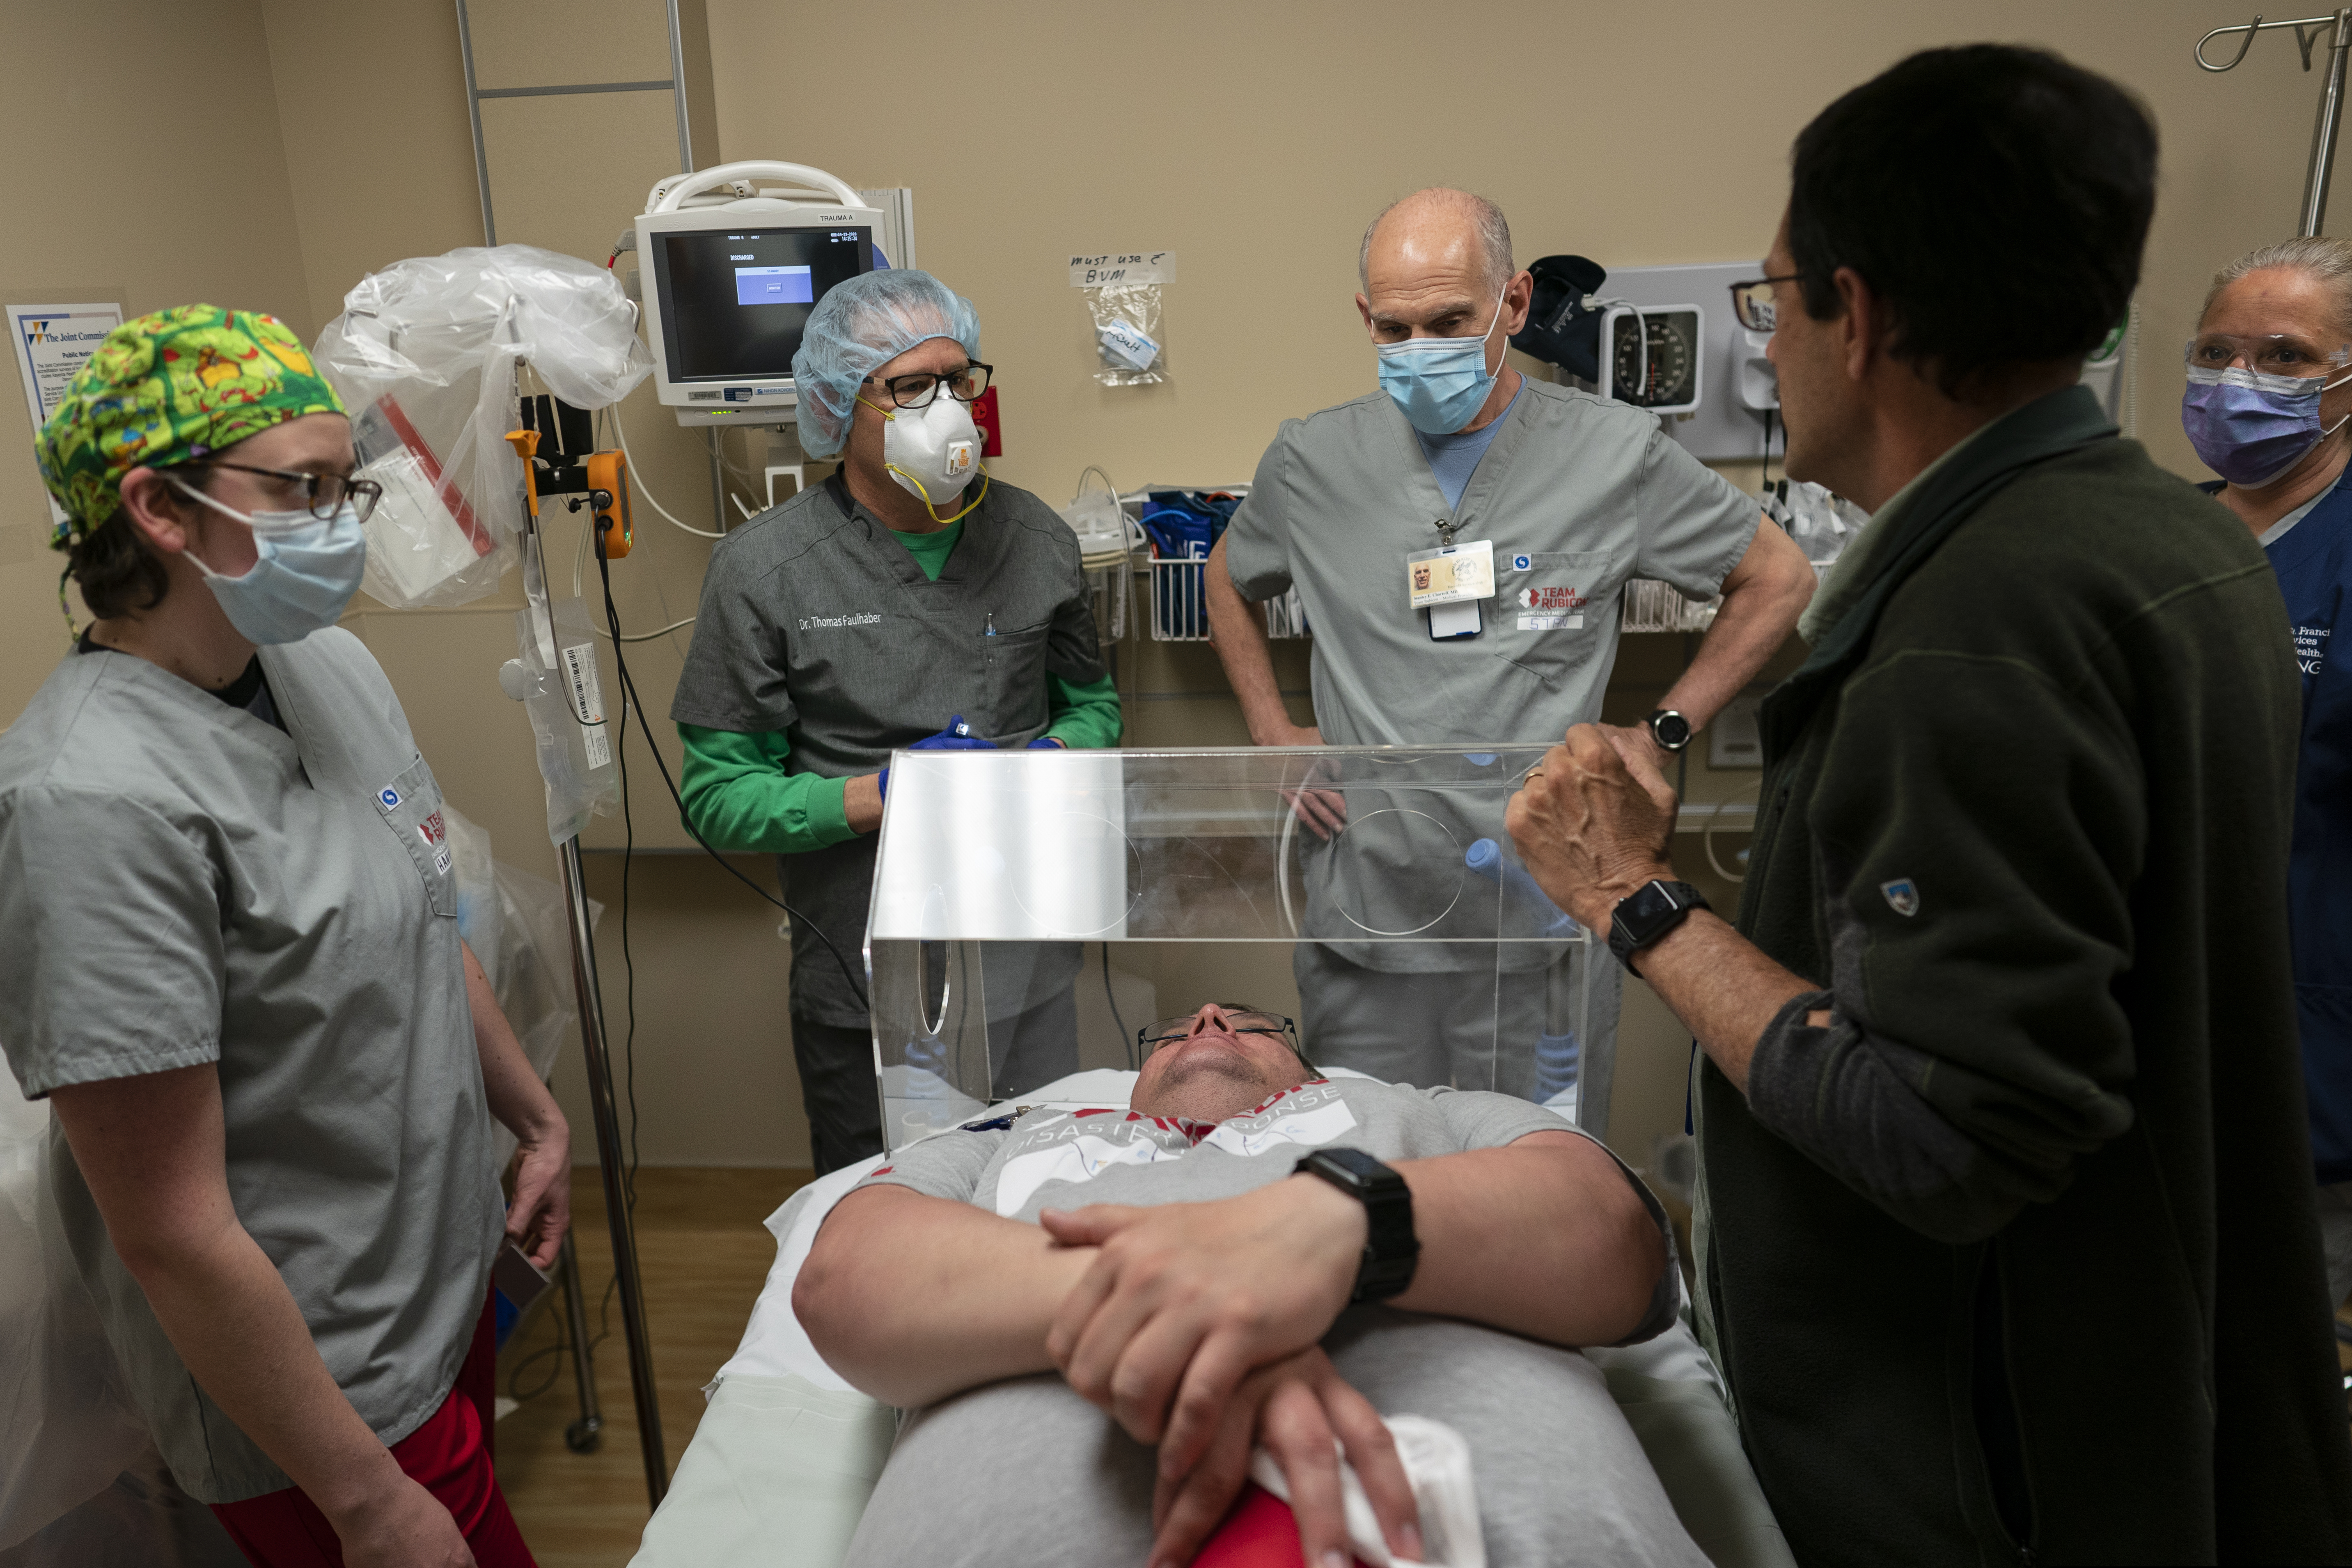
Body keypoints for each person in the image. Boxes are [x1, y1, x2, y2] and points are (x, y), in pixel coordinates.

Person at [1502, 46, 2352, 1566]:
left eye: (1773, 303)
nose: (1769, 350)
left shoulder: (1974, 627)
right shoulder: (2178, 539)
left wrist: (1632, 896)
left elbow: (1949, 1135)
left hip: (2007, 1473)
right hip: (2174, 1414)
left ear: (1862, 311)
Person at [0, 305, 569, 1566]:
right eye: (303, 488)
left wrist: (533, 1113)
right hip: (325, 1384)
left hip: (438, 1279)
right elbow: (170, 1226)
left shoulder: (323, 665)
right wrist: (365, 1499)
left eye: (343, 485)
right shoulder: (86, 800)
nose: (342, 522)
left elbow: (424, 906)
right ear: (159, 509)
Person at [1205, 187, 1815, 1097]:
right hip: (1377, 904)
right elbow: (1226, 576)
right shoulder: (1314, 461)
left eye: (1451, 320)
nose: (1422, 352)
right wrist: (1270, 728)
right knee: (1371, 1183)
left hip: (1544, 908)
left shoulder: (1615, 454)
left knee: (1541, 1190)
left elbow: (1780, 578)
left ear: (1515, 303)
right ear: (1365, 318)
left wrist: (1662, 732)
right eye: (1395, 330)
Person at [794, 1002, 1693, 1568]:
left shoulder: (1433, 1107)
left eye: (1252, 1021)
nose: (1211, 1017)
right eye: (1177, 1029)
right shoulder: (1010, 1136)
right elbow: (845, 1277)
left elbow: (1616, 1239)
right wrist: (1194, 1285)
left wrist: (1338, 1225)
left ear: (1311, 1072)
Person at [670, 270, 1120, 1174]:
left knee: (1043, 1193)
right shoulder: (768, 569)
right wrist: (884, 798)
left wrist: (1050, 754)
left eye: (961, 380)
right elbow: (719, 796)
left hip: (1030, 962)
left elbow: (1096, 705)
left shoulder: (1036, 540)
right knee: (897, 1206)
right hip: (870, 983)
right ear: (840, 405)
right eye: (911, 386)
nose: (949, 407)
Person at [2184, 237, 2352, 1311]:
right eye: (2215, 351)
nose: (2240, 380)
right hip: (2153, 1047)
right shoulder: (2161, 537)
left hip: (2319, 1062)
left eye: (2285, 358)